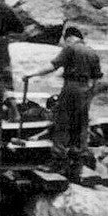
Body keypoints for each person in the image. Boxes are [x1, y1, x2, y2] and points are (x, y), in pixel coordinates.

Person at [26, 26, 103, 179]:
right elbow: (96, 78)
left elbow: (52, 66)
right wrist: (89, 92)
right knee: (81, 125)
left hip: (71, 88)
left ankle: (58, 162)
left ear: (68, 38)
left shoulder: (70, 49)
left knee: (62, 123)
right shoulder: (92, 52)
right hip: (85, 90)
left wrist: (31, 74)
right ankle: (77, 164)